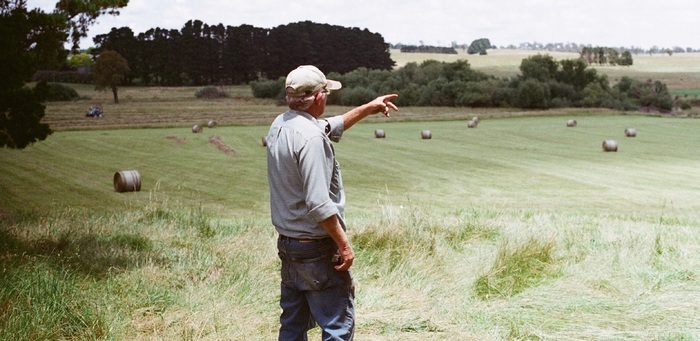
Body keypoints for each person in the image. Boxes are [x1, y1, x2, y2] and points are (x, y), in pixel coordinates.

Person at [266, 65, 398, 340]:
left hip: (289, 244)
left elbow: (331, 125)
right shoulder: (312, 139)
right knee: (337, 327)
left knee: (292, 325)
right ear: (317, 98)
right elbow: (318, 203)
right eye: (325, 91)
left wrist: (368, 107)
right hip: (316, 248)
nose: (327, 97)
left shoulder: (282, 124)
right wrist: (343, 244)